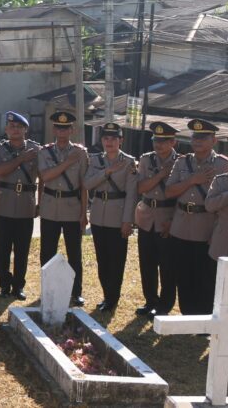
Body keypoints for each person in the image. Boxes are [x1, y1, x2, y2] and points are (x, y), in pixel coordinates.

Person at [165, 118, 228, 315]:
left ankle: (203, 315)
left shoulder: (223, 165)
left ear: (213, 140)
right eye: (195, 137)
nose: (198, 141)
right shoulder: (182, 162)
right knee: (182, 273)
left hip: (206, 225)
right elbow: (169, 192)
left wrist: (218, 231)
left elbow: (226, 205)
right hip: (182, 223)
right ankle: (187, 313)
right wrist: (193, 180)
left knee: (205, 274)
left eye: (203, 137)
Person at [84, 122, 138, 313]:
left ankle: (113, 298)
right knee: (102, 259)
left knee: (117, 260)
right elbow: (87, 183)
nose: (109, 142)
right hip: (98, 215)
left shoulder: (130, 162)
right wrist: (107, 172)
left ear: (120, 140)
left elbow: (132, 194)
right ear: (101, 140)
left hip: (118, 216)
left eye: (114, 138)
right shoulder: (95, 160)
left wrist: (127, 221)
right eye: (106, 138)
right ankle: (107, 295)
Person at [37, 111, 89, 307]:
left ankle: (76, 292)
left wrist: (84, 213)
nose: (62, 131)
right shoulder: (44, 152)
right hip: (50, 206)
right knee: (47, 252)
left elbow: (84, 185)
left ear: (71, 130)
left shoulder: (81, 152)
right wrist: (67, 162)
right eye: (58, 127)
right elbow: (46, 177)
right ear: (53, 129)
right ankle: (47, 291)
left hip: (72, 207)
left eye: (65, 127)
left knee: (74, 252)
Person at [0, 111, 41, 300]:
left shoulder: (37, 150)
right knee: (3, 247)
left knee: (22, 248)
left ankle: (18, 285)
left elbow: (43, 178)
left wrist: (40, 202)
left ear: (26, 130)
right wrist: (20, 159)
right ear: (6, 129)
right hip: (3, 202)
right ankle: (4, 284)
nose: (15, 130)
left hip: (26, 203)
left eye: (19, 127)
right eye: (12, 127)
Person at [134, 121, 181, 317]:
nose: (158, 144)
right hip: (146, 217)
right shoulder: (146, 160)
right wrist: (161, 174)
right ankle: (150, 300)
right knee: (147, 263)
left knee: (167, 265)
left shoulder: (182, 162)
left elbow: (183, 195)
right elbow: (140, 188)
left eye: (163, 141)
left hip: (167, 217)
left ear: (173, 142)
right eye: (156, 140)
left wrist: (174, 222)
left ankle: (165, 304)